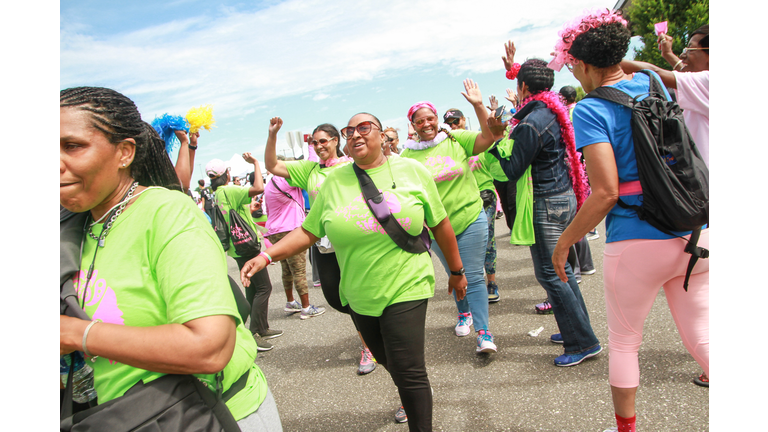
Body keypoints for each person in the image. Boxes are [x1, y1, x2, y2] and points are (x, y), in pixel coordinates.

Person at [59, 86, 282, 430]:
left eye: (72, 146)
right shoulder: (70, 226)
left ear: (124, 153)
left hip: (205, 415)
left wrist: (77, 334)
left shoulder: (167, 212)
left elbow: (209, 347)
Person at [242, 112, 466, 431]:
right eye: (351, 131)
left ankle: (416, 404)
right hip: (359, 292)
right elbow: (308, 231)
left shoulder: (412, 171)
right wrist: (267, 256)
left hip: (408, 284)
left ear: (380, 135)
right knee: (390, 360)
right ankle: (412, 388)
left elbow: (440, 223)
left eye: (365, 128)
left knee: (409, 369)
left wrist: (456, 270)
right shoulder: (335, 181)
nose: (357, 135)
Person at [549, 10, 709, 432]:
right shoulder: (655, 83)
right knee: (705, 336)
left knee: (624, 343)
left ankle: (626, 429)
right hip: (695, 230)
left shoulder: (590, 108)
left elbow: (605, 191)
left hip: (638, 240)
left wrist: (565, 242)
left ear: (583, 65)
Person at [489, 41, 601, 367]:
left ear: (523, 86)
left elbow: (512, 169)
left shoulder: (530, 122)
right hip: (564, 196)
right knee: (561, 269)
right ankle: (574, 331)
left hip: (546, 203)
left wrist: (495, 143)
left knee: (552, 273)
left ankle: (582, 341)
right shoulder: (554, 110)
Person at [264, 119, 377, 375]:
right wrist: (272, 135)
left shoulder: (352, 165)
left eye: (323, 141)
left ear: (336, 141)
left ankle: (368, 346)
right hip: (325, 245)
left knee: (357, 293)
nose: (318, 146)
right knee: (336, 297)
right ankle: (370, 327)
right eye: (314, 142)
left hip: (354, 240)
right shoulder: (309, 171)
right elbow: (272, 165)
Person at [400, 79, 499, 354]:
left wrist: (479, 106)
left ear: (437, 118)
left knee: (474, 275)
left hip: (470, 218)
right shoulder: (407, 156)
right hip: (437, 230)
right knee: (455, 273)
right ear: (413, 125)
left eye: (430, 118)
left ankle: (483, 333)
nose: (427, 124)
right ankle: (463, 312)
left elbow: (488, 137)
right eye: (419, 121)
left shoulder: (456, 139)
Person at [207, 155, 281, 352]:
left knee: (253, 289)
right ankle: (254, 332)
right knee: (264, 288)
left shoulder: (218, 194)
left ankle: (261, 328)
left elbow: (236, 213)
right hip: (247, 247)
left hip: (237, 247)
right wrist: (256, 163)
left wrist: (250, 209)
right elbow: (259, 187)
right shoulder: (229, 190)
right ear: (227, 174)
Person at [621, 25, 709, 167]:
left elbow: (656, 72)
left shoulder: (707, 81)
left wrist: (609, 62)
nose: (683, 55)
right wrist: (668, 54)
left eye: (690, 49)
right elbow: (683, 69)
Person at [445, 105, 503, 304]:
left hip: (485, 195)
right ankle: (470, 283)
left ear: (463, 120)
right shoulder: (450, 146)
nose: (453, 125)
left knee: (487, 241)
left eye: (456, 121)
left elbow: (498, 167)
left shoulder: (477, 141)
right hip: (463, 201)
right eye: (449, 123)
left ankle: (491, 282)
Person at [264, 157, 326, 320]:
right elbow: (312, 167)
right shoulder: (286, 180)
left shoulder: (270, 184)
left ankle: (290, 301)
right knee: (298, 270)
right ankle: (306, 308)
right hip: (289, 229)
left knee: (287, 269)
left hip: (274, 231)